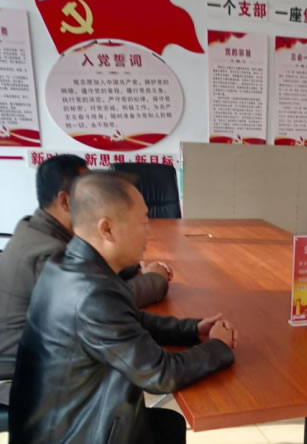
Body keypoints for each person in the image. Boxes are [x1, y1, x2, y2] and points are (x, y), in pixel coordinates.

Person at [9, 171, 238, 444]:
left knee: (168, 424)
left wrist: (191, 329)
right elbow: (160, 374)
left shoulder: (67, 264)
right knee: (168, 426)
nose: (149, 233)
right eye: (143, 223)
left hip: (58, 421)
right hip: (70, 435)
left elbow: (130, 319)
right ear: (106, 229)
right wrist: (218, 346)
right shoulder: (93, 293)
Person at [0, 155, 171, 405]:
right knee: (138, 362)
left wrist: (131, 267)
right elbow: (104, 302)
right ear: (65, 201)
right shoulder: (48, 255)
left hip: (36, 356)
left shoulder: (34, 229)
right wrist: (156, 279)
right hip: (25, 376)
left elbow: (91, 269)